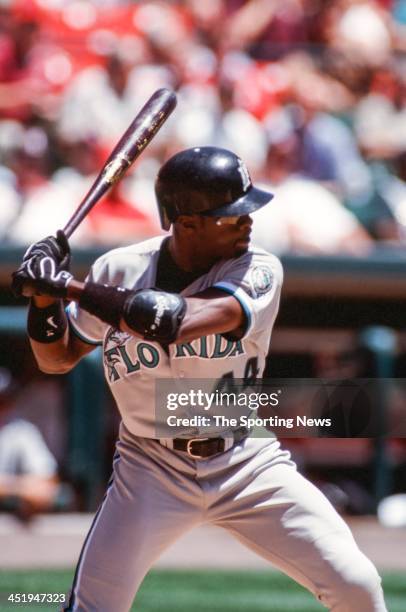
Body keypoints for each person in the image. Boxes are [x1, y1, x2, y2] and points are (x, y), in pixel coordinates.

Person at [11, 146, 387, 611]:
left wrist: (65, 285)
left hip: (245, 460)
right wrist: (42, 299)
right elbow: (56, 358)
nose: (248, 221)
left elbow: (171, 320)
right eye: (231, 215)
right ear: (186, 222)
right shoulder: (119, 269)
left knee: (357, 585)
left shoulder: (258, 268)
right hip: (149, 465)